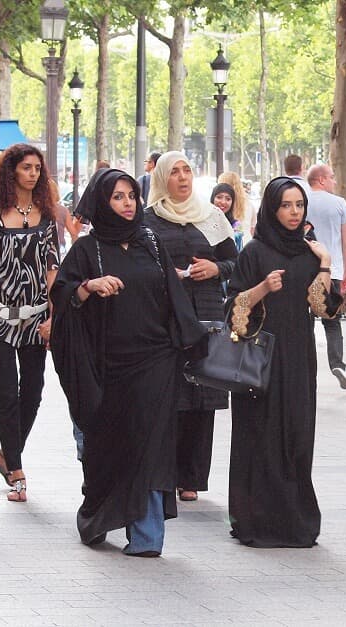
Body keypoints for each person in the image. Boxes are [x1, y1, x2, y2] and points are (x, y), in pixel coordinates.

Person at [51, 168, 204, 556]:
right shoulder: (87, 250)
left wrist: (188, 342)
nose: (127, 204)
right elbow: (63, 294)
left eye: (131, 196)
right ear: (102, 203)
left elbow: (172, 294)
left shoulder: (150, 242)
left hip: (156, 360)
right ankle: (98, 516)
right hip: (108, 367)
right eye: (117, 197)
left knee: (151, 445)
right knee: (110, 449)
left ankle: (147, 536)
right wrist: (88, 287)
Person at [224, 176, 342, 548]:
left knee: (296, 434)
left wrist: (325, 263)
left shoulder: (310, 253)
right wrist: (262, 288)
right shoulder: (254, 252)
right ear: (272, 210)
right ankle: (256, 520)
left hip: (298, 359)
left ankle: (295, 521)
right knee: (259, 436)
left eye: (299, 205)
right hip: (260, 359)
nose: (294, 212)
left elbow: (325, 309)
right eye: (286, 205)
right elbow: (232, 311)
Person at [0, 143, 61, 502]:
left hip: (35, 317)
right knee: (6, 391)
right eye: (26, 167)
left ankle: (6, 453)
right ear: (11, 171)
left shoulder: (47, 214)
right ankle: (16, 472)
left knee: (33, 391)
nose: (33, 174)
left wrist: (54, 315)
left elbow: (52, 268)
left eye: (37, 168)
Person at [142, 151, 237, 502]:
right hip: (166, 315)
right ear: (161, 178)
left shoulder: (212, 217)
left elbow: (235, 262)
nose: (182, 177)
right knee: (170, 393)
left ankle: (193, 477)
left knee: (204, 393)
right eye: (174, 172)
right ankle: (166, 472)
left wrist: (215, 269)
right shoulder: (148, 220)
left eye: (187, 170)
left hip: (206, 311)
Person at [304, 163, 346, 389]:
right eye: (332, 177)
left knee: (305, 321)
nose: (334, 181)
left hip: (306, 271)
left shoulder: (301, 201)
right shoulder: (339, 203)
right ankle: (337, 364)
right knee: (332, 321)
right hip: (332, 270)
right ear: (322, 179)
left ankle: (306, 364)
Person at [218, 170, 256, 246]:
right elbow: (253, 229)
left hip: (229, 246)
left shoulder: (222, 206)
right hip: (247, 244)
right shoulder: (249, 204)